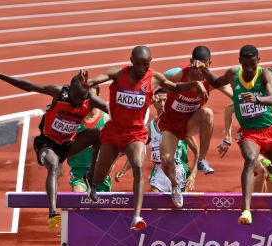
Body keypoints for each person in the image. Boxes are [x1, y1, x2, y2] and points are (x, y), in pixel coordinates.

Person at [86, 46, 207, 231]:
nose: (143, 67)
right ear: (131, 61)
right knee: (99, 176)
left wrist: (195, 84)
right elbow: (96, 80)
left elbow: (174, 87)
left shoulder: (154, 78)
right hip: (114, 130)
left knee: (138, 164)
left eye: (147, 64)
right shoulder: (119, 74)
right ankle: (92, 184)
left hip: (135, 133)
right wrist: (86, 82)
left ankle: (136, 216)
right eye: (139, 64)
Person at [0, 60, 108, 229]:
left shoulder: (88, 99)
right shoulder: (58, 93)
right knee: (54, 165)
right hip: (47, 143)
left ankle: (90, 179)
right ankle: (53, 213)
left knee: (100, 134)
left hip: (68, 144)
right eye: (76, 97)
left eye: (82, 98)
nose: (79, 102)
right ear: (70, 91)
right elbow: (29, 86)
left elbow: (110, 108)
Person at [203, 45, 272, 225]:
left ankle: (269, 166)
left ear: (258, 61)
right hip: (249, 133)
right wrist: (204, 69)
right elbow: (215, 82)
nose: (249, 69)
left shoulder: (264, 75)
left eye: (253, 65)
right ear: (240, 62)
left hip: (270, 132)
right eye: (245, 65)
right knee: (251, 159)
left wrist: (257, 99)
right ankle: (246, 210)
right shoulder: (232, 74)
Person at [160, 46, 231, 180]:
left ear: (209, 64)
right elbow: (159, 80)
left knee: (207, 113)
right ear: (191, 61)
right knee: (166, 162)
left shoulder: (210, 81)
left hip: (189, 124)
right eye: (197, 64)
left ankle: (201, 160)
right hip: (170, 125)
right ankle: (175, 186)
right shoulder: (179, 75)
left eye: (203, 66)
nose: (199, 70)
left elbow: (234, 94)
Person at [67, 85, 112, 193]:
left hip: (100, 174)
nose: (88, 99)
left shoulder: (106, 118)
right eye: (86, 96)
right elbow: (63, 142)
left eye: (92, 96)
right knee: (76, 203)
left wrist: (111, 162)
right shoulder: (74, 119)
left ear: (98, 97)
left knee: (100, 209)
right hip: (79, 173)